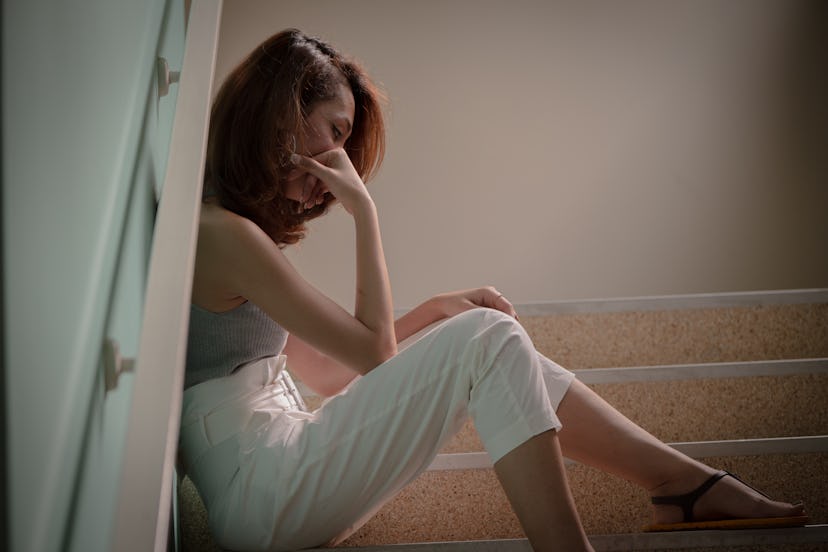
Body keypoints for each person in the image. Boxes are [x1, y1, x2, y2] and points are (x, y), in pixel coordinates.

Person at [179, 28, 808, 552]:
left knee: (487, 340)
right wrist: (365, 212)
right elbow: (370, 358)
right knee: (489, 336)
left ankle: (681, 484)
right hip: (264, 485)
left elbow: (326, 372)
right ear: (284, 112)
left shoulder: (230, 231)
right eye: (336, 132)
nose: (341, 162)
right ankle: (663, 495)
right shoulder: (223, 235)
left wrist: (433, 313)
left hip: (277, 476)